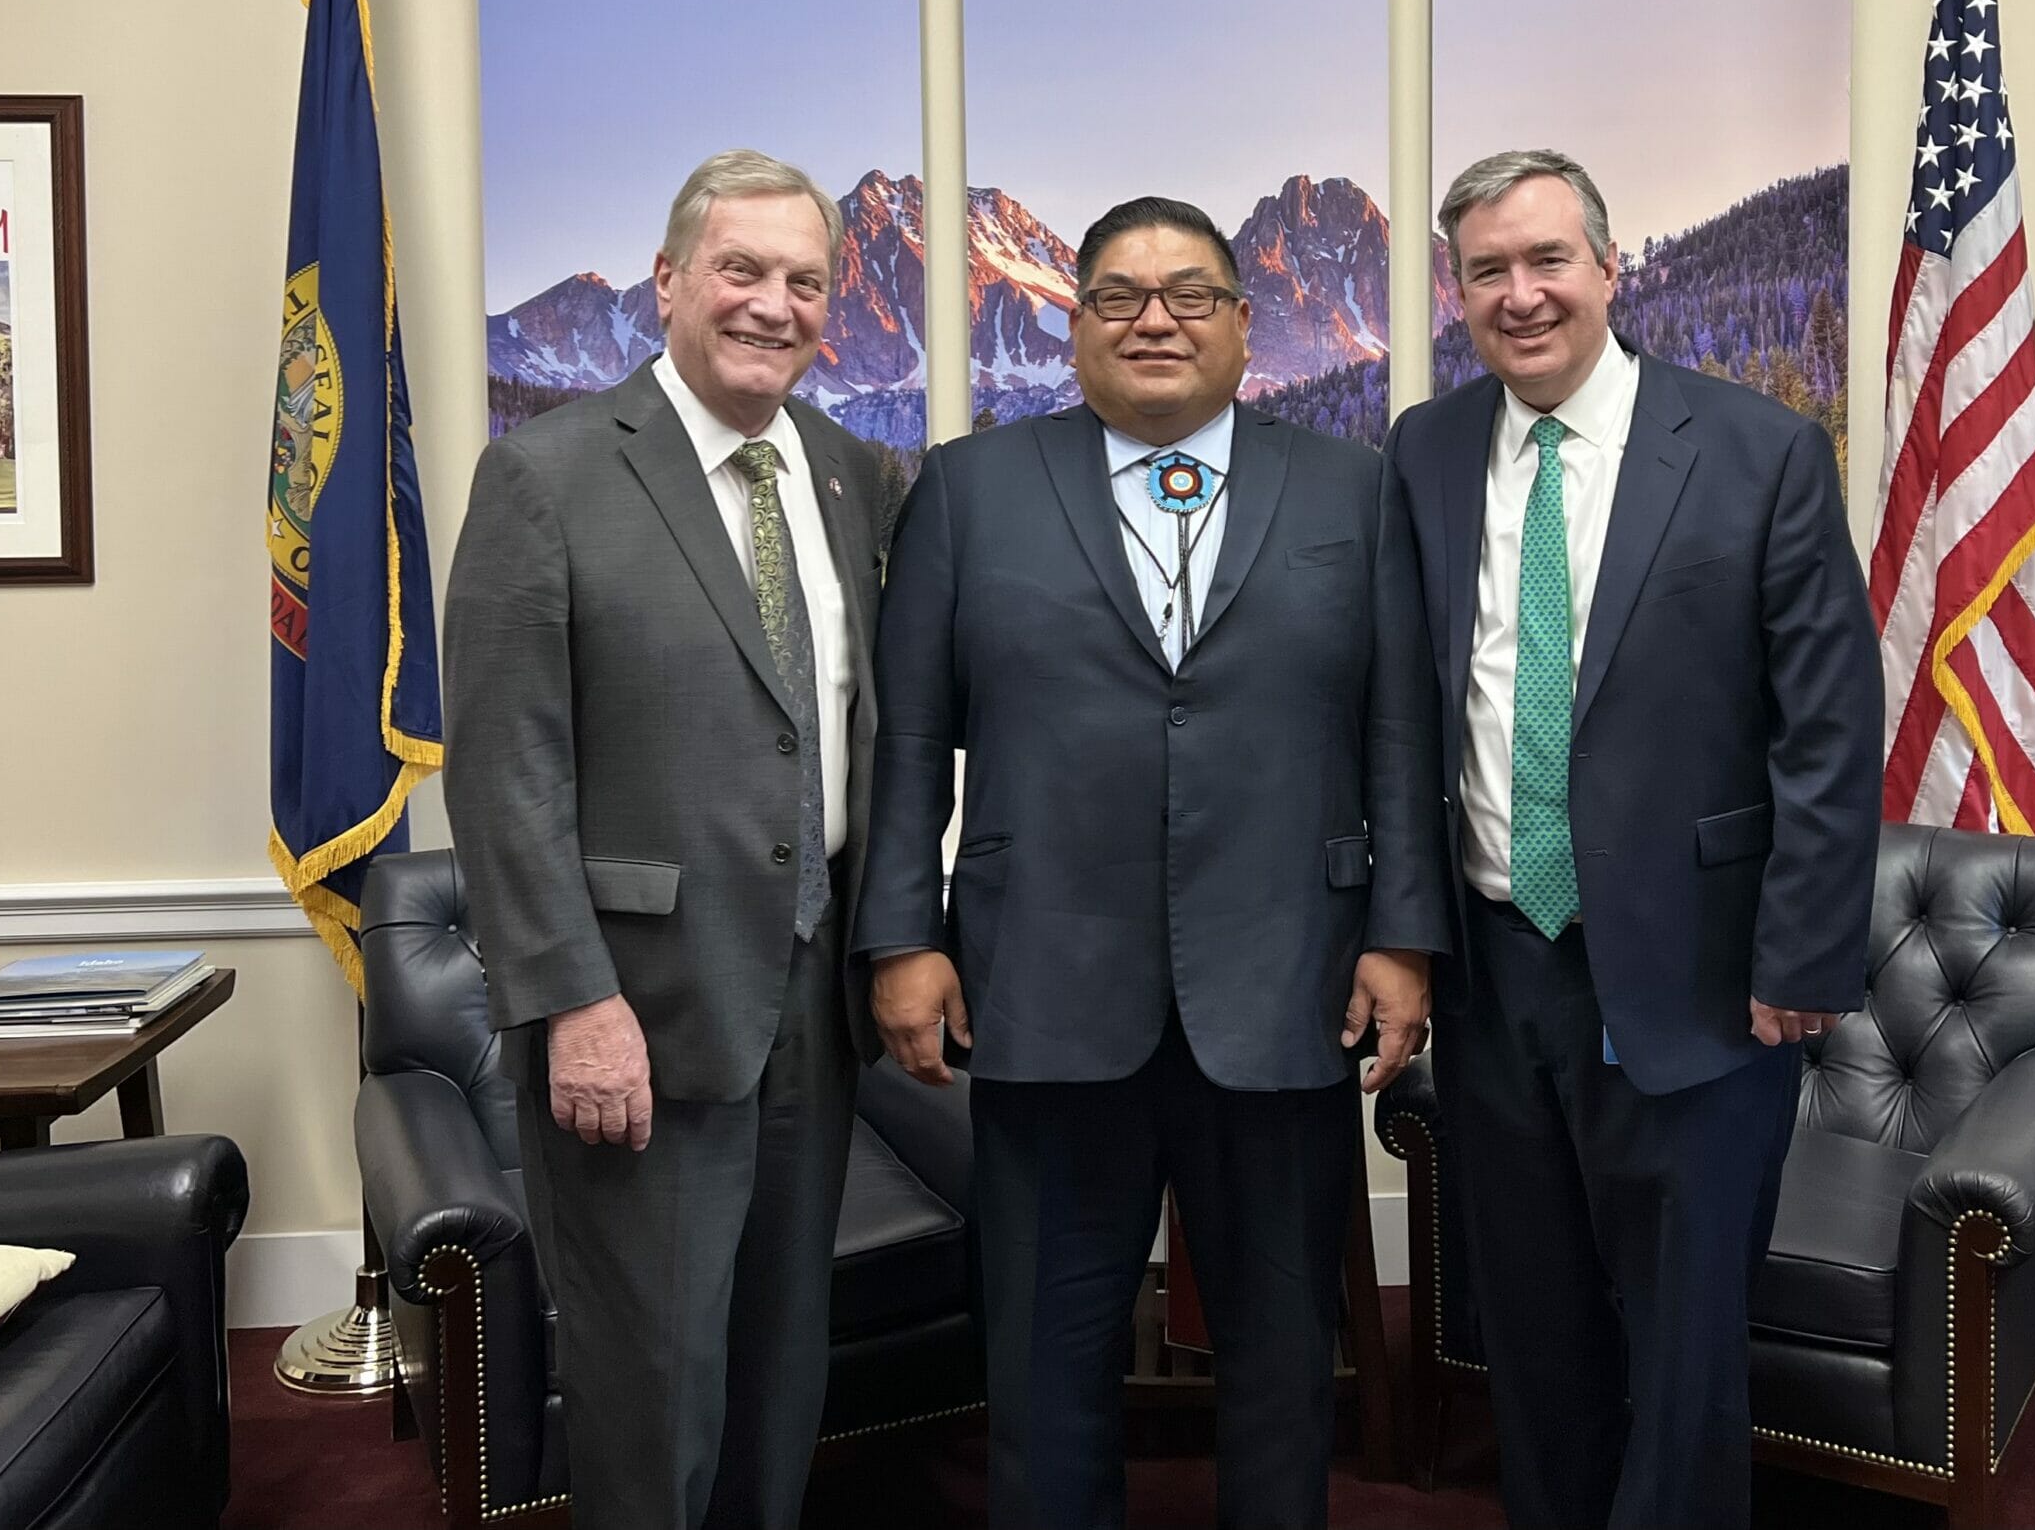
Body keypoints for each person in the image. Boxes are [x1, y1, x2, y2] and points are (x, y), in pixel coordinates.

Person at [855, 196, 1449, 1530]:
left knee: (1287, 1358)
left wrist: (1403, 935)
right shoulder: (969, 489)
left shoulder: (1353, 489)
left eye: (1190, 292)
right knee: (1045, 1358)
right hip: (1045, 995)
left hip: (1290, 987)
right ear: (1074, 328)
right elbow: (910, 741)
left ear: (1246, 324)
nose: (1156, 316)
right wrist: (902, 935)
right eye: (1119, 295)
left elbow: (1397, 733)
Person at [1383, 149, 1882, 1530]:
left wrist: (1805, 954)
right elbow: (1407, 713)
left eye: (1550, 259)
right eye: (1489, 268)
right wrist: (1406, 939)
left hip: (1703, 973)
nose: (1522, 293)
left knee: (1683, 1343)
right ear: (1457, 290)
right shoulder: (1424, 451)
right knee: (1529, 1328)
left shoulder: (1756, 448)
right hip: (1499, 969)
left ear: (1615, 267)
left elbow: (1830, 732)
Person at [444, 149, 889, 1530]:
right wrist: (574, 998)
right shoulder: (547, 476)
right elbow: (504, 771)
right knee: (655, 1380)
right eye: (742, 271)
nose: (773, 304)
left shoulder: (848, 474)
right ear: (669, 280)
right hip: (636, 1011)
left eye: (804, 280)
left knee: (779, 1369)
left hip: (813, 1000)